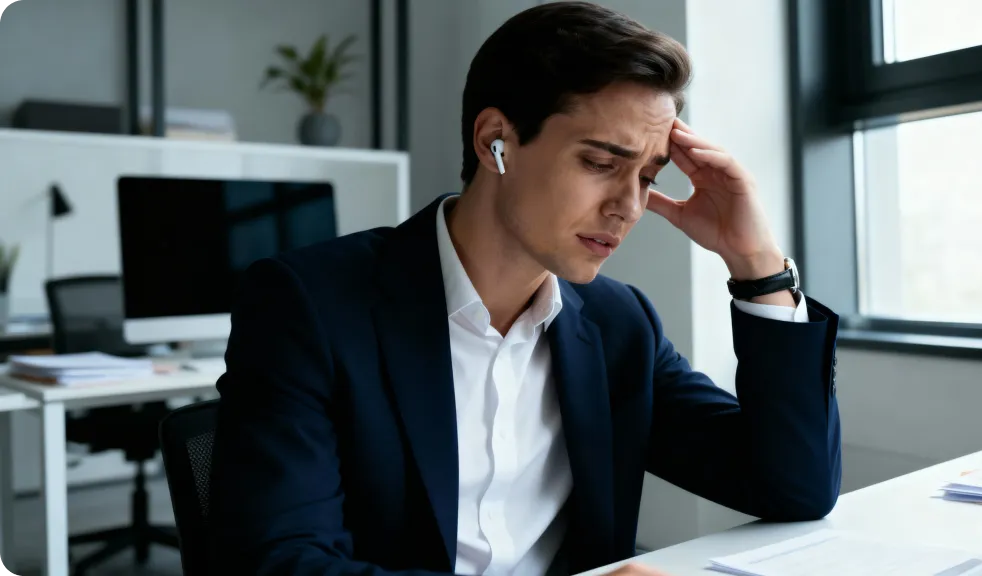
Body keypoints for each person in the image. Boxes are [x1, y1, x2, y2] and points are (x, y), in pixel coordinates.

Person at [209, 2, 841, 575]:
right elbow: (280, 564)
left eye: (648, 177)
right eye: (601, 163)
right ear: (496, 142)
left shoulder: (618, 323)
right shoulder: (310, 304)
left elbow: (794, 487)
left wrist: (757, 265)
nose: (629, 207)